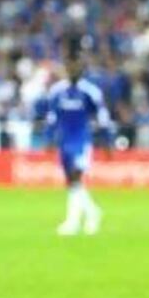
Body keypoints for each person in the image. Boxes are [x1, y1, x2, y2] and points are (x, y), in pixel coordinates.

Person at [45, 56, 112, 236]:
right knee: (71, 182)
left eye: (77, 68)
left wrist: (107, 141)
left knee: (75, 177)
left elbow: (102, 116)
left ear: (82, 70)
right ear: (66, 69)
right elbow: (52, 117)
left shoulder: (90, 92)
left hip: (82, 141)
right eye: (71, 68)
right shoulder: (57, 92)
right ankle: (92, 212)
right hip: (64, 142)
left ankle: (73, 222)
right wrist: (49, 139)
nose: (74, 71)